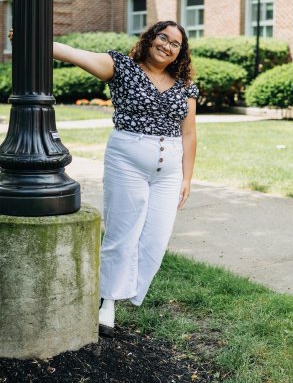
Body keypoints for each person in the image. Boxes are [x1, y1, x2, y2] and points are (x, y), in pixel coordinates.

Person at [9, 21, 198, 338]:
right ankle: (108, 300)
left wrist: (187, 177)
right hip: (128, 160)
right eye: (162, 37)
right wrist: (33, 39)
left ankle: (127, 290)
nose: (167, 45)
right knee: (123, 233)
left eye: (175, 43)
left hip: (169, 170)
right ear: (150, 39)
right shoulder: (121, 66)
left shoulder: (184, 84)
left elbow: (190, 133)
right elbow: (75, 54)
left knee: (155, 238)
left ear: (180, 52)